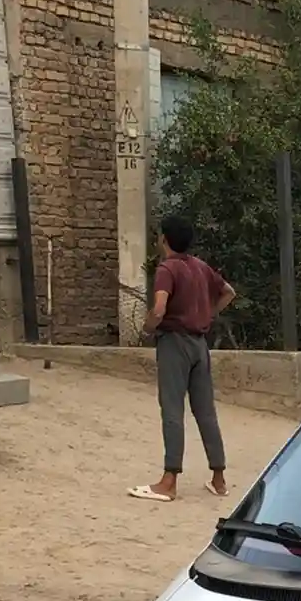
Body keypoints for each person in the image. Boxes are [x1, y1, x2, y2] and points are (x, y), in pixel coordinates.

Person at [128, 215, 236, 501]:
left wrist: (148, 327)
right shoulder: (200, 267)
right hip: (200, 345)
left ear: (164, 239)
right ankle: (219, 478)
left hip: (174, 343)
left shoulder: (167, 269)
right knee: (206, 412)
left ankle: (169, 480)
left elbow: (160, 308)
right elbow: (228, 292)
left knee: (173, 409)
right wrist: (208, 314)